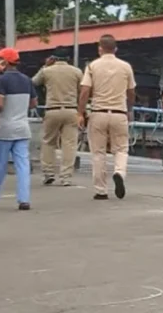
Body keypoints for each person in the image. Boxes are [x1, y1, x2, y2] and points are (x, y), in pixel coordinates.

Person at [0, 47, 36, 211]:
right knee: (23, 165)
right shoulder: (27, 80)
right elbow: (33, 103)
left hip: (5, 129)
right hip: (23, 128)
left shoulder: (1, 80)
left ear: (5, 62)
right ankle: (24, 200)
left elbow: (0, 105)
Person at [78, 34, 135, 200]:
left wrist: (80, 112)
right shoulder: (126, 67)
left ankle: (101, 190)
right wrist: (129, 108)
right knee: (121, 149)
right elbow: (131, 92)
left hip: (98, 113)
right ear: (116, 49)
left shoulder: (92, 66)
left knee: (98, 153)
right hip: (119, 113)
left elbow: (84, 91)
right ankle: (119, 172)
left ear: (99, 48)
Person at [32, 49, 83, 186]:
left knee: (48, 142)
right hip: (71, 110)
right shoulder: (76, 72)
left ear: (53, 57)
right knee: (69, 144)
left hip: (52, 110)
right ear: (68, 58)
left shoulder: (47, 71)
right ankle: (66, 177)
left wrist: (45, 66)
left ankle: (48, 172)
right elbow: (82, 90)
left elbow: (34, 82)